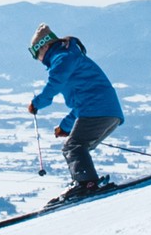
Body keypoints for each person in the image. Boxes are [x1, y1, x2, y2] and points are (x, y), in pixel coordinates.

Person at [26, 24, 124, 204]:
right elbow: (81, 103)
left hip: (98, 110)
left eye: (35, 53)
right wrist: (65, 126)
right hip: (107, 112)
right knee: (78, 145)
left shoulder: (62, 59)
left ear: (45, 46)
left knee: (72, 146)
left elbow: (53, 85)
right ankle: (86, 182)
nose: (37, 59)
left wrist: (37, 103)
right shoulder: (69, 58)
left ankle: (86, 183)